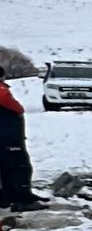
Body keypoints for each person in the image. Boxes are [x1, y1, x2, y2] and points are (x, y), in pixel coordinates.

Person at [0, 76, 46, 211]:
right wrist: (18, 108)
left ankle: (10, 197)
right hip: (8, 137)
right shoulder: (1, 90)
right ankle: (23, 200)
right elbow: (5, 98)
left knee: (6, 169)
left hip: (5, 137)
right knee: (21, 168)